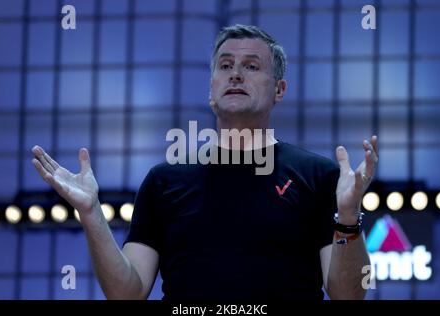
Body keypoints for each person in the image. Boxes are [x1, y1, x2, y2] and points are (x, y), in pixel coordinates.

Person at [32, 24, 378, 300]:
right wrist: (90, 212)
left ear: (279, 89)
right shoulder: (163, 181)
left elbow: (348, 296)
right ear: (211, 90)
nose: (236, 75)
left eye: (251, 66)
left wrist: (348, 219)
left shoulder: (318, 177)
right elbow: (127, 293)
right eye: (225, 66)